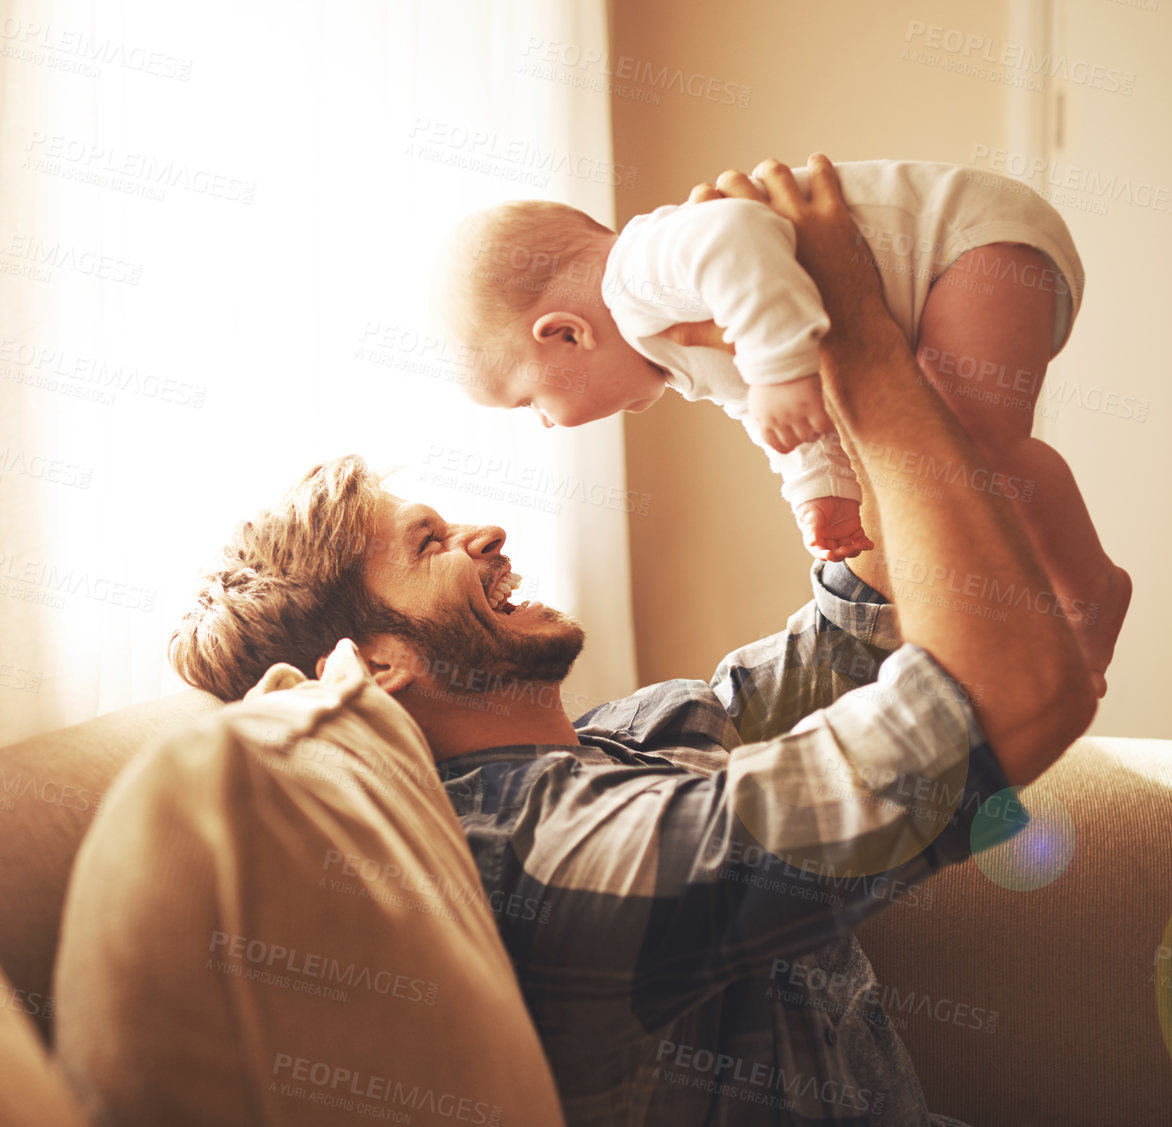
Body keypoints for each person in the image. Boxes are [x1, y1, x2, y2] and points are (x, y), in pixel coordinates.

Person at [169, 155, 1098, 1125]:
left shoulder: (632, 735)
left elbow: (856, 637)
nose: (484, 534)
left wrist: (819, 332)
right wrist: (861, 337)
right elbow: (1011, 693)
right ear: (378, 665)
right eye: (430, 544)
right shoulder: (557, 860)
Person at [433, 158, 1128, 695]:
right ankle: (1042, 613)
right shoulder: (673, 349)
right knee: (946, 460)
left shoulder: (636, 276)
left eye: (529, 403)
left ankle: (1088, 589)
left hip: (968, 240)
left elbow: (736, 231)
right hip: (953, 268)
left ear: (564, 334)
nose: (547, 426)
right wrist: (818, 491)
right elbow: (777, 413)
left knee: (970, 444)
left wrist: (776, 371)